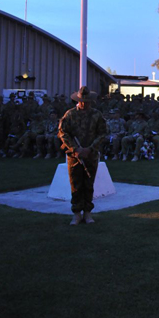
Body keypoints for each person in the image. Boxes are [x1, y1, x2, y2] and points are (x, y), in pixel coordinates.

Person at [58, 85, 108, 226]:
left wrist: (90, 149)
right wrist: (75, 149)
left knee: (88, 184)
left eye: (87, 101)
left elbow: (102, 133)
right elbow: (63, 133)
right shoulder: (70, 114)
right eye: (82, 101)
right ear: (77, 100)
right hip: (74, 156)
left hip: (90, 155)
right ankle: (76, 214)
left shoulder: (97, 115)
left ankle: (87, 213)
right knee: (76, 184)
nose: (84, 103)